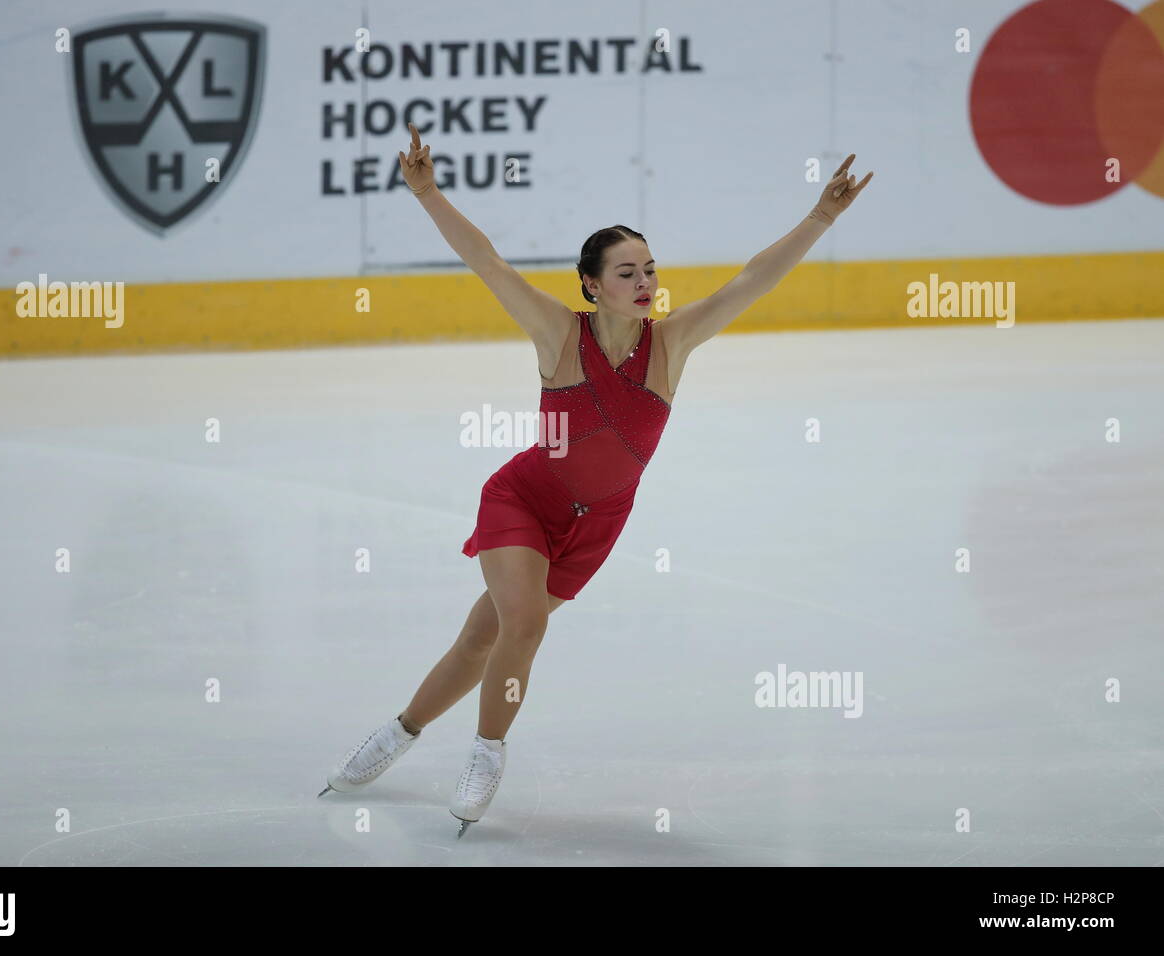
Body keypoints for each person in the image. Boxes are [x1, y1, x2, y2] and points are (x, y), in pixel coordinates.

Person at [320, 123, 873, 837]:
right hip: (525, 497)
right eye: (627, 273)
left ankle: (399, 731)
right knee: (521, 623)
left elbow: (749, 282)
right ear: (591, 285)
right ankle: (488, 751)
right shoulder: (558, 333)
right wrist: (427, 193)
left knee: (480, 640)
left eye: (649, 270)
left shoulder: (673, 344)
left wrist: (820, 218)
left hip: (596, 525)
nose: (645, 284)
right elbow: (486, 261)